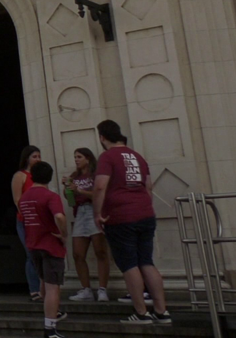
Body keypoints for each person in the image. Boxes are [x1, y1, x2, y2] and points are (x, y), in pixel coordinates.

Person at [93, 120, 171, 325]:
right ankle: (162, 311)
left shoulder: (107, 156)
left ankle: (141, 312)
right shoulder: (138, 156)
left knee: (129, 264)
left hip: (120, 216)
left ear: (102, 137)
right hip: (144, 213)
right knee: (146, 261)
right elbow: (148, 186)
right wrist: (144, 207)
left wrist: (97, 214)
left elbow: (100, 186)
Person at [20, 160, 69, 338]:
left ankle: (52, 313)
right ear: (49, 177)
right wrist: (64, 234)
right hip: (50, 245)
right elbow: (59, 217)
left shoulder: (24, 198)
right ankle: (50, 328)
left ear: (32, 176)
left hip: (33, 244)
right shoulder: (50, 196)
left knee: (43, 282)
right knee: (52, 288)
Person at [63, 147, 110, 302]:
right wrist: (67, 188)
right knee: (77, 254)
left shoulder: (95, 175)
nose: (76, 159)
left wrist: (80, 190)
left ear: (88, 158)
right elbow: (70, 201)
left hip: (93, 209)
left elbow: (99, 193)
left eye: (79, 156)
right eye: (75, 157)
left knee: (100, 251)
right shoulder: (74, 176)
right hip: (80, 212)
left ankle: (102, 289)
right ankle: (86, 289)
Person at [12, 145, 43, 300]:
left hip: (40, 222)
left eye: (39, 156)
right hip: (25, 221)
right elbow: (17, 200)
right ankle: (34, 289)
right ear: (27, 159)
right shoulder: (20, 176)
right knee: (31, 255)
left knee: (41, 254)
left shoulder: (39, 177)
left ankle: (43, 288)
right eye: (34, 157)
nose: (38, 159)